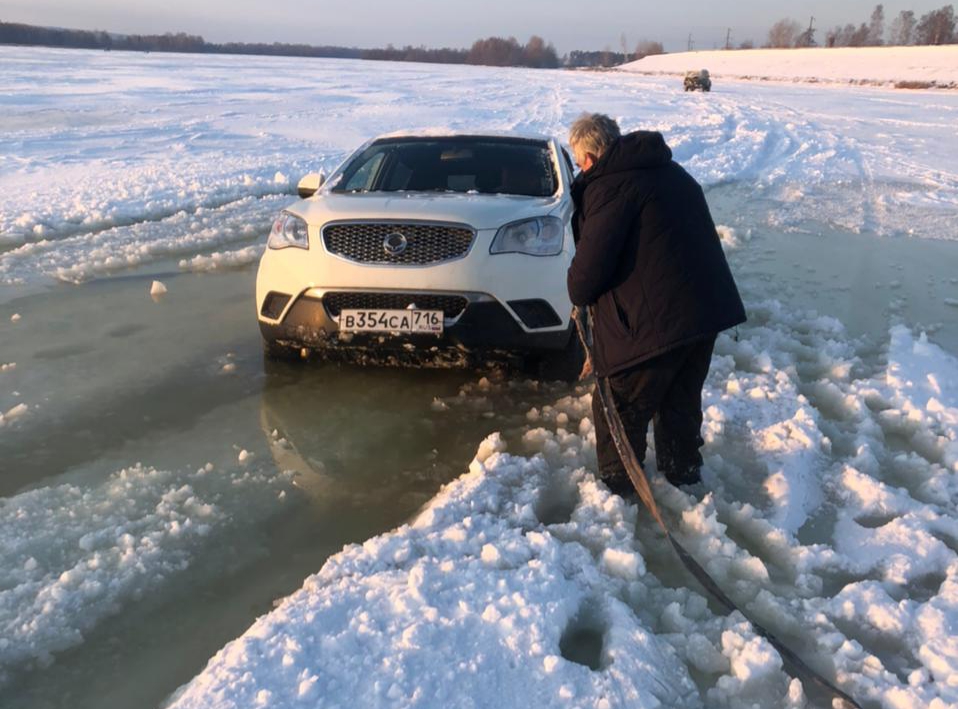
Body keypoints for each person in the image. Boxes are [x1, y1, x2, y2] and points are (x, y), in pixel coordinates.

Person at [566, 113, 746, 493]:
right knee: (680, 401)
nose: (581, 170)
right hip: (704, 314)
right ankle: (684, 479)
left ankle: (620, 490)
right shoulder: (672, 172)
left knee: (618, 407)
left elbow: (586, 277)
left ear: (592, 158)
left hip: (655, 322)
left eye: (580, 163)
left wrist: (576, 289)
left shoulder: (611, 187)